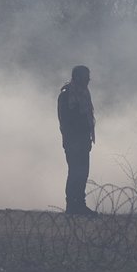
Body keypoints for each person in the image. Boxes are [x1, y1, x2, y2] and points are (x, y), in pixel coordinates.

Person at [57, 65, 97, 215]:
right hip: (73, 141)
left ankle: (79, 203)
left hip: (83, 140)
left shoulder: (84, 94)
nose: (88, 80)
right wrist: (72, 138)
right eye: (86, 77)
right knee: (75, 172)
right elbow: (65, 121)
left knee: (83, 172)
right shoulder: (66, 95)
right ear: (78, 77)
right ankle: (72, 205)